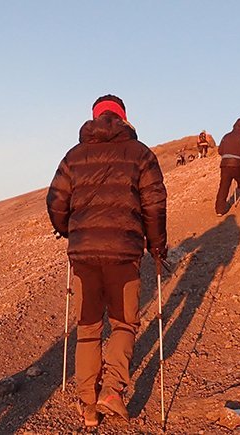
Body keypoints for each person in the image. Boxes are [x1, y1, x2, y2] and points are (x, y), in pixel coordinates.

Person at [46, 94, 168, 428]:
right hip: (124, 254)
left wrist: (69, 230)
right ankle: (112, 390)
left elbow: (56, 201)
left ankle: (88, 402)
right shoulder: (140, 153)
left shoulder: (75, 156)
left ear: (95, 118)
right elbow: (154, 203)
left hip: (84, 256)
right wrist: (157, 246)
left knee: (88, 326)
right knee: (124, 323)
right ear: (124, 118)